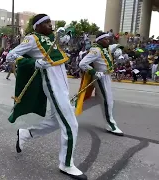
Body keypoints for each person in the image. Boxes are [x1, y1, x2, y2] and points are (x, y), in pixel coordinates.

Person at [7, 14, 87, 180]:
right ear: (37, 26)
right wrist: (34, 63)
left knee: (57, 120)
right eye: (46, 23)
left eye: (51, 22)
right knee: (71, 124)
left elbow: (66, 40)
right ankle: (66, 164)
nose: (50, 25)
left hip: (62, 83)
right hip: (51, 83)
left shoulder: (52, 38)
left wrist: (69, 32)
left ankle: (26, 133)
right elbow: (11, 56)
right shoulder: (32, 39)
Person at [76, 32, 124, 136]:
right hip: (100, 77)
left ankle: (71, 110)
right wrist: (94, 72)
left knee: (99, 99)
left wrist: (119, 49)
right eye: (105, 39)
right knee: (107, 101)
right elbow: (82, 64)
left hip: (107, 77)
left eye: (108, 39)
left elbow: (115, 46)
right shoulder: (96, 50)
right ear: (99, 40)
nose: (108, 40)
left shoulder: (106, 48)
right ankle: (110, 124)